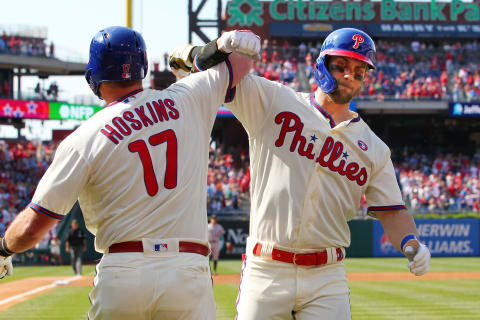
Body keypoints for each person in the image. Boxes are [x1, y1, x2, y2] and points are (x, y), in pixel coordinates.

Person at [0, 26, 260, 319]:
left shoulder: (84, 137)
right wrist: (194, 57)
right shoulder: (189, 95)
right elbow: (243, 58)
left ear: (93, 75)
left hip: (123, 270)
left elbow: (34, 226)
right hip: (187, 268)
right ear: (143, 67)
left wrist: (3, 249)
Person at [171, 28, 431, 320]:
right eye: (341, 65)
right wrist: (218, 47)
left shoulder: (375, 149)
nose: (349, 75)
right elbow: (198, 67)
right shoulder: (274, 101)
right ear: (322, 63)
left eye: (359, 70)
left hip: (327, 276)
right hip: (266, 267)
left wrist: (411, 242)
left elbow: (392, 211)